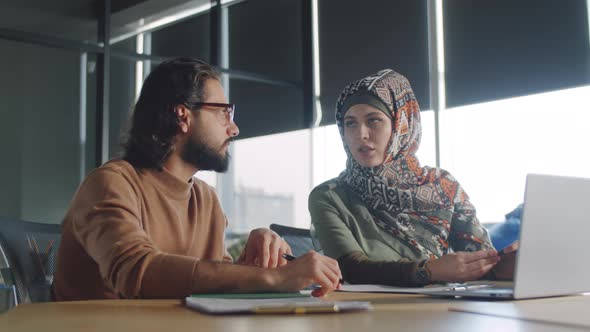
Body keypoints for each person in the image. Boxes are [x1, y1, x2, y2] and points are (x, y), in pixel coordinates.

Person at [53, 57, 341, 300]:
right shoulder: (111, 183)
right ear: (183, 115)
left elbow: (208, 286)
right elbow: (135, 273)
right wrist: (270, 279)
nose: (235, 128)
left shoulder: (206, 199)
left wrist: (253, 261)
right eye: (224, 113)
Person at [308, 69, 515, 286]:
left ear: (402, 125)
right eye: (350, 123)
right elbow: (348, 269)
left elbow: (479, 261)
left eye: (373, 120)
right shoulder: (330, 196)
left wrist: (505, 265)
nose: (361, 134)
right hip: (367, 312)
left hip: (444, 312)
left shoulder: (443, 186)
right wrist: (428, 271)